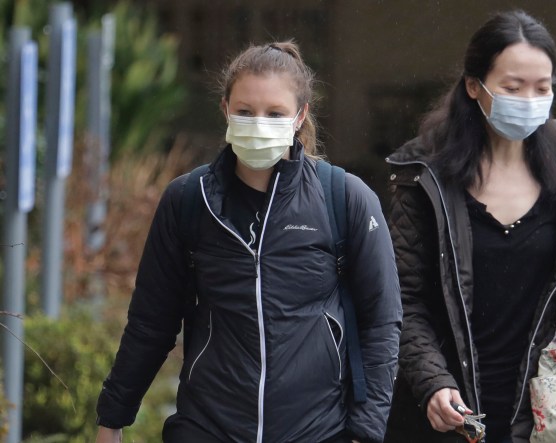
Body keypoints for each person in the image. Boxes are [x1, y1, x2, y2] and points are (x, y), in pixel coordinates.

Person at [95, 41, 402, 443]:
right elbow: (152, 321)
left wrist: (366, 431)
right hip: (207, 427)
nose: (259, 124)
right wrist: (112, 419)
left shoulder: (345, 198)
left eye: (275, 113)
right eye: (245, 112)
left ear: (300, 116)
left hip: (318, 430)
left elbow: (382, 321)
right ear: (225, 110)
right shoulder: (189, 200)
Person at [384, 10, 556, 443]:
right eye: (513, 88)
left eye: (542, 87)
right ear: (475, 86)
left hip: (543, 409)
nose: (529, 99)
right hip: (447, 411)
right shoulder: (424, 173)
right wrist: (432, 381)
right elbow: (402, 298)